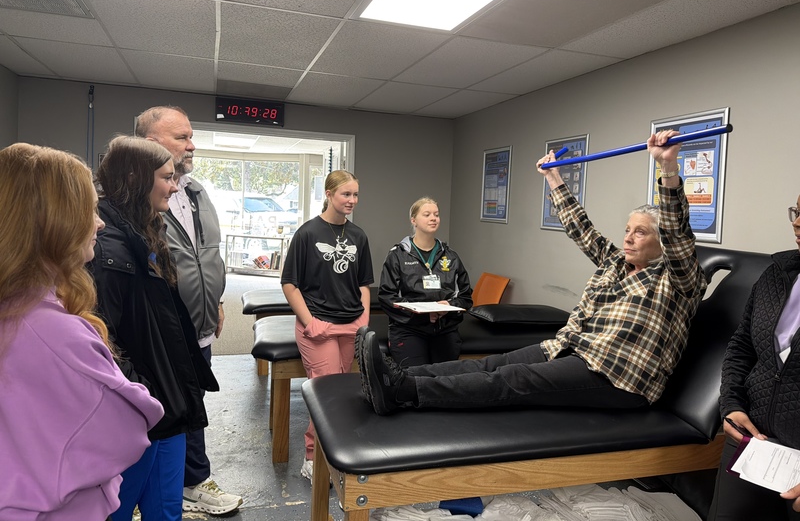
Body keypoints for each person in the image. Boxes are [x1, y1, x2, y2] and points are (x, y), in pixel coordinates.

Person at [359, 130, 706, 416]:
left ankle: (403, 391)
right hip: (571, 348)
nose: (628, 237)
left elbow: (678, 231)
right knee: (491, 365)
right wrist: (554, 178)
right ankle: (397, 375)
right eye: (628, 229)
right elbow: (579, 227)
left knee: (513, 379)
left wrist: (668, 168)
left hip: (618, 375)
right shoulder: (616, 262)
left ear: (663, 242)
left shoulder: (679, 278)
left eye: (640, 232)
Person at [0, 144, 163, 521]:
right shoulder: (51, 329)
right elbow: (131, 424)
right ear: (54, 222)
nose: (99, 223)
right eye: (88, 211)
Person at [89, 136, 219, 521]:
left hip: (168, 405)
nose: (175, 185)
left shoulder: (145, 230)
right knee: (116, 519)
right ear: (136, 178)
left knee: (166, 520)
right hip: (139, 412)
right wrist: (142, 393)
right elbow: (101, 340)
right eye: (166, 177)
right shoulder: (107, 246)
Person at [134, 105, 242, 515]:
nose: (191, 144)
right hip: (160, 328)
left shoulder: (196, 192)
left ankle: (191, 482)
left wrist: (212, 302)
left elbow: (204, 255)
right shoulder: (136, 200)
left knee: (191, 404)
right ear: (150, 143)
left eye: (190, 135)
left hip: (198, 321)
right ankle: (156, 489)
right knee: (157, 410)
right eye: (181, 137)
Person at [704, 196, 800, 521]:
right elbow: (742, 344)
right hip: (755, 439)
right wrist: (731, 403)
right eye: (797, 211)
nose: (798, 223)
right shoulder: (777, 274)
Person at [281, 170, 374, 480]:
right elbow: (290, 285)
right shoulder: (307, 234)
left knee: (341, 389)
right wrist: (310, 323)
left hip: (349, 326)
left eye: (356, 195)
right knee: (328, 391)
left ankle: (334, 452)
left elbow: (363, 284)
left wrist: (363, 320)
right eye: (346, 194)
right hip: (318, 325)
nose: (352, 200)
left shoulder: (358, 236)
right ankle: (312, 456)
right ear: (329, 194)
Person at [378, 197, 473, 366]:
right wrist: (420, 313)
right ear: (413, 220)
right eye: (427, 214)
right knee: (415, 379)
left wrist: (449, 306)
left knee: (445, 380)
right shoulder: (398, 256)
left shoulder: (450, 256)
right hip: (409, 330)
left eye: (436, 214)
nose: (433, 218)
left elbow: (466, 297)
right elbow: (387, 297)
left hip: (445, 329)